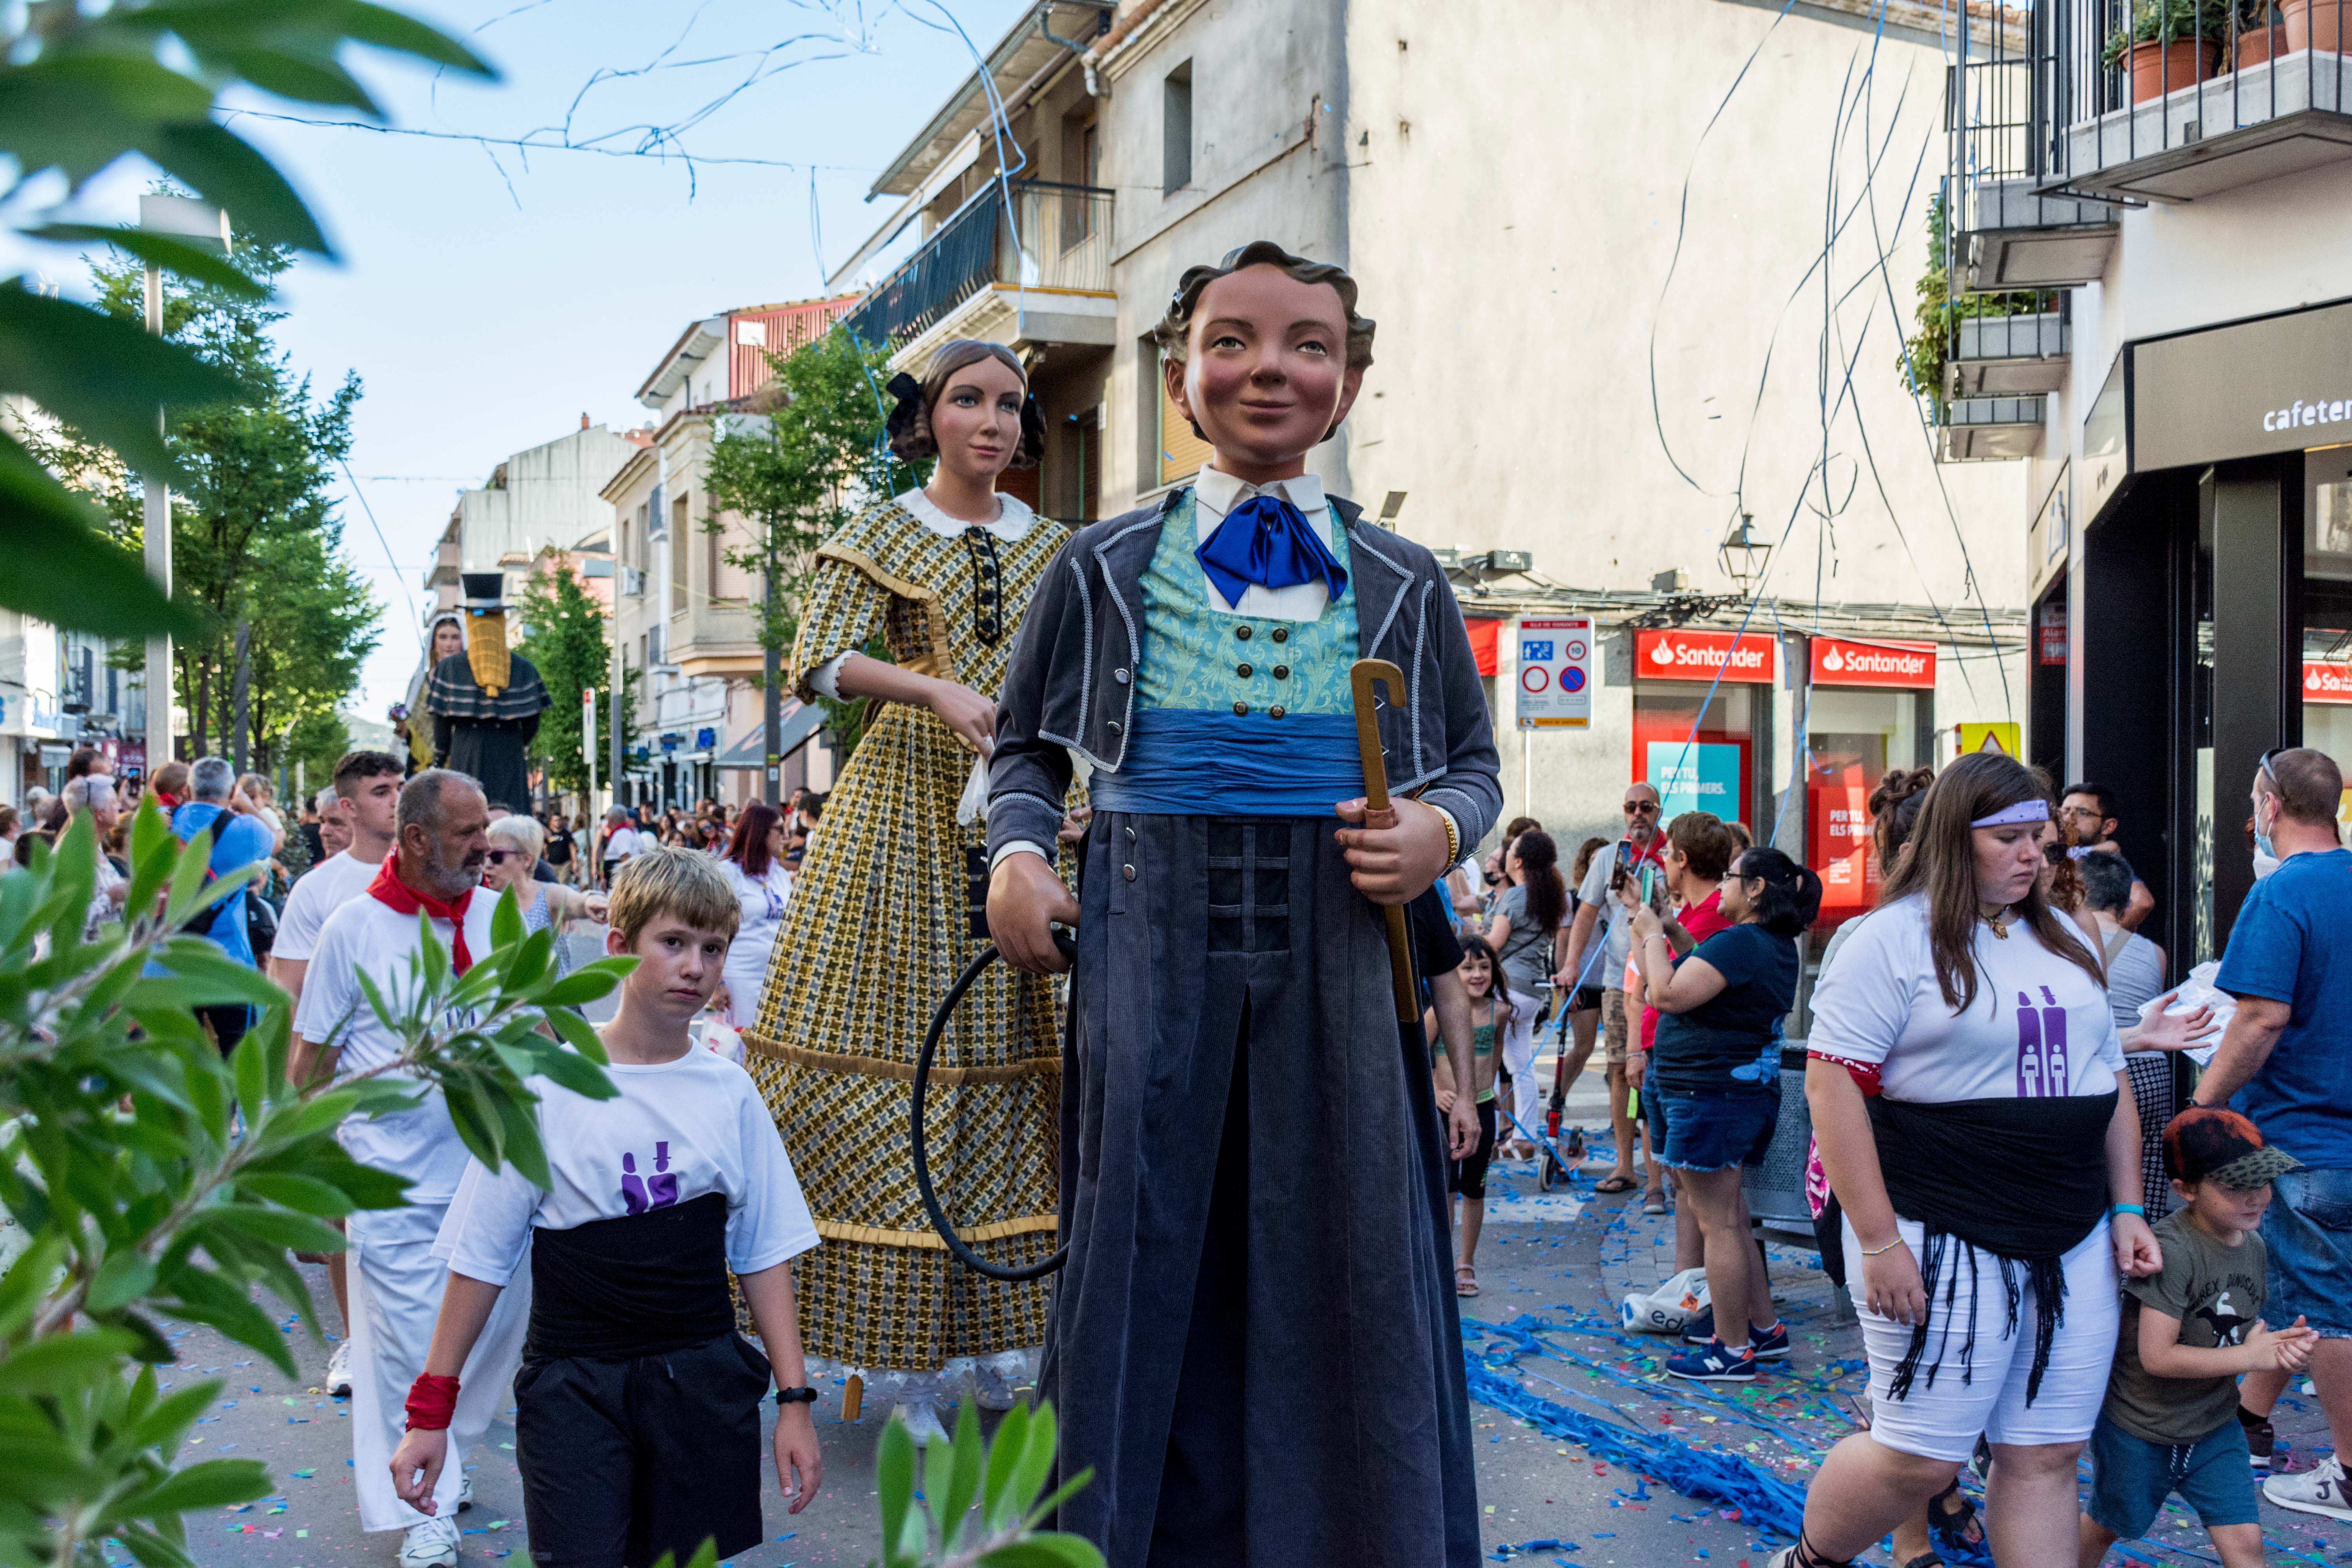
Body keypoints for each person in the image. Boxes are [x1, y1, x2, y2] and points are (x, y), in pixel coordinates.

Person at [985, 240, 1497, 1565]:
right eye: (1234, 339)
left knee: (1356, 1253)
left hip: (1343, 944)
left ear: (1352, 378)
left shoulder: (1407, 578)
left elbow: (1478, 768)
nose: (1270, 366)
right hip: (1147, 939)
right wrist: (1020, 853)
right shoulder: (1096, 565)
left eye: (1307, 343)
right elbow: (1025, 750)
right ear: (1180, 375)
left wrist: (1436, 833)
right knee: (1139, 1249)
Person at [740, 338, 1078, 1447]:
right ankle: (900, 1367)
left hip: (1026, 804)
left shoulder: (1062, 549)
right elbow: (819, 661)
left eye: (1011, 407)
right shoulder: (881, 528)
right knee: (894, 1040)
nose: (992, 422)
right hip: (900, 812)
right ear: (929, 417)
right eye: (969, 401)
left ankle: (995, 1345)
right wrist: (933, 689)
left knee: (1017, 1054)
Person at [388, 848, 824, 1566]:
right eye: (674, 943)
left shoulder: (729, 1092)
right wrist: (429, 1414)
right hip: (575, 1386)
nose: (696, 967)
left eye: (714, 949)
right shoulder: (548, 1085)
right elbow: (480, 1257)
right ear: (618, 948)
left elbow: (762, 1250)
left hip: (699, 1385)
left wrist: (795, 1401)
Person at [1776, 753, 2158, 1568]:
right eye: (2011, 837)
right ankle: (1810, 1560)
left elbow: (2108, 1080)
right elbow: (1832, 1085)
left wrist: (2128, 1206)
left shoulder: (2067, 938)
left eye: (2046, 841)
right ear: (1956, 836)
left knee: (2048, 1452)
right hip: (1939, 1220)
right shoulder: (1885, 938)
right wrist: (1879, 1240)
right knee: (1921, 1455)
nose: (2035, 856)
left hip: (2072, 1229)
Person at [289, 770, 526, 1568]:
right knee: (398, 1356)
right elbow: (307, 1061)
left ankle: (436, 1450)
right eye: (467, 831)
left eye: (486, 826)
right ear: (418, 837)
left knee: (491, 1333)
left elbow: (538, 1035)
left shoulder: (501, 916)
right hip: (384, 1179)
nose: (484, 844)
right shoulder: (352, 927)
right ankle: (426, 1505)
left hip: (490, 1176)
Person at [2194, 746, 2352, 1515]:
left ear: (2269, 804)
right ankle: (2248, 1422)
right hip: (2329, 1140)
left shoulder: (2284, 893)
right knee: (2296, 1288)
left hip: (2304, 1137)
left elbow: (2259, 1017)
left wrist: (2202, 1102)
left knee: (2326, 1307)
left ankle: (2350, 1471)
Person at [2078, 1107, 2314, 1568]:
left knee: (2246, 1543)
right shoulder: (2173, 1251)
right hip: (2141, 1431)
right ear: (2185, 1190)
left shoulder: (2254, 1246)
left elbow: (2237, 1336)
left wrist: (2279, 1348)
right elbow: (2158, 1356)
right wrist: (2251, 1355)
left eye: (2263, 1181)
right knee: (2109, 1524)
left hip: (2213, 1430)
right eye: (2235, 1187)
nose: (2256, 1197)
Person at [1630, 844, 1815, 1382]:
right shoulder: (1765, 944)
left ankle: (1731, 1349)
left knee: (1720, 1226)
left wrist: (1648, 935)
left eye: (1732, 878)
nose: (1722, 888)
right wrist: (1665, 930)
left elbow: (1663, 993)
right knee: (1733, 1219)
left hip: (1711, 1098)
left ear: (1756, 889)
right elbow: (1692, 970)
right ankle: (1762, 1329)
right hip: (1732, 1095)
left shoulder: (1745, 943)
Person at [270, 749, 406, 1401]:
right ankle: (357, 1342)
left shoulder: (432, 878)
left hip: (417, 1081)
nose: (396, 799)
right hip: (341, 1083)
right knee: (342, 1220)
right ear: (347, 808)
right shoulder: (319, 891)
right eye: (382, 790)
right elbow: (288, 994)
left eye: (400, 787)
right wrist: (299, 1090)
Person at [1634, 811, 1741, 1248]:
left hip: (1692, 1067)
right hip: (1672, 1056)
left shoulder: (1715, 914)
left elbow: (1659, 990)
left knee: (1709, 1203)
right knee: (1688, 1186)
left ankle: (1694, 1288)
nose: (1661, 863)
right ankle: (1688, 1286)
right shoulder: (1694, 913)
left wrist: (1649, 933)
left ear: (1682, 859)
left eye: (1666, 855)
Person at [1560, 782, 1670, 1195]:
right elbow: (1585, 915)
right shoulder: (1609, 858)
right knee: (1622, 1071)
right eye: (1630, 806)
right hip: (1619, 983)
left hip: (1666, 977)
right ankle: (1627, 1165)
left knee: (1655, 1074)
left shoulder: (1671, 856)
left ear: (1658, 811)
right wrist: (1571, 964)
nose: (1637, 813)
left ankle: (1663, 1172)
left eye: (1646, 806)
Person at [165, 757, 276, 1056]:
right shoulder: (246, 830)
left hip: (168, 963)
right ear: (230, 792)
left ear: (188, 790)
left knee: (177, 1063)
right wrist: (245, 803)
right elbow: (276, 840)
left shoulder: (164, 823)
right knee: (235, 1060)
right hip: (228, 961)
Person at [1434, 936, 1520, 1298]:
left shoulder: (1500, 1012)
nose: (1477, 974)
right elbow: (1413, 1055)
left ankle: (1465, 1262)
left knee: (1474, 1189)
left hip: (1482, 1108)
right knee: (1445, 1189)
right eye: (1467, 967)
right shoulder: (1438, 1012)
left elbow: (1498, 1055)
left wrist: (1499, 1100)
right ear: (1452, 973)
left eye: (1484, 966)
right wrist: (1436, 1091)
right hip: (1443, 1113)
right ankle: (1440, 1260)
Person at [424, 574, 548, 816]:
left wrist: (440, 758)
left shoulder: (450, 669)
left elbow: (441, 725)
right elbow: (532, 724)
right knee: (512, 824)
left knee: (467, 820)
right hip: (509, 751)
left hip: (466, 750)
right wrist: (514, 741)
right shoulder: (524, 668)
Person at [1485, 829, 1566, 1158]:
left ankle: (1488, 1134)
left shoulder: (1516, 897)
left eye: (1510, 850)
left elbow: (1494, 945)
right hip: (1532, 991)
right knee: (1521, 1065)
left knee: (1487, 1062)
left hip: (1505, 988)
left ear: (1517, 861)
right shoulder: (1551, 896)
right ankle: (1525, 1136)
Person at [483, 815, 606, 969]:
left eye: (496, 857)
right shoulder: (481, 900)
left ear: (527, 859)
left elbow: (575, 900)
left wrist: (589, 901)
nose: (487, 865)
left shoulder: (548, 896)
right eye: (484, 855)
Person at [714, 802, 791, 1031]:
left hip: (780, 977)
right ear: (760, 833)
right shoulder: (728, 872)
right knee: (747, 1045)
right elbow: (713, 931)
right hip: (742, 976)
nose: (786, 837)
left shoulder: (781, 875)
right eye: (780, 830)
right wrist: (718, 984)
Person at [2060, 781, 2153, 931]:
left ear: (2108, 826)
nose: (2069, 818)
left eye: (2082, 812)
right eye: (2065, 811)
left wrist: (2107, 947)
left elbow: (2142, 902)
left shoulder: (2101, 861)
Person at [599, 804, 643, 889]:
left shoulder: (622, 833)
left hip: (620, 885)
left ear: (611, 820)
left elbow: (626, 858)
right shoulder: (622, 832)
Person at [543, 812, 577, 885]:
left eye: (559, 820)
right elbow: (545, 846)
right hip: (551, 864)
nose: (558, 822)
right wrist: (546, 857)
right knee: (553, 885)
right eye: (555, 820)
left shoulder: (566, 834)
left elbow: (572, 848)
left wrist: (574, 862)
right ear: (551, 822)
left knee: (563, 885)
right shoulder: (549, 834)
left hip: (565, 864)